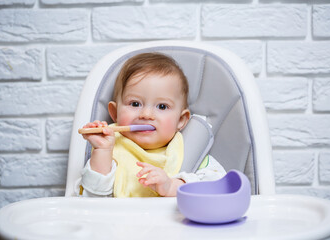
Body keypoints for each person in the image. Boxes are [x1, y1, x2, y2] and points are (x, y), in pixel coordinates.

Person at [75, 52, 226, 197]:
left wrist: (172, 187)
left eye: (162, 106)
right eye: (135, 104)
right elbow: (91, 199)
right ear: (115, 113)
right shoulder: (111, 149)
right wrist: (102, 150)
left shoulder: (189, 151)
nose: (146, 115)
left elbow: (219, 189)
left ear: (181, 120)